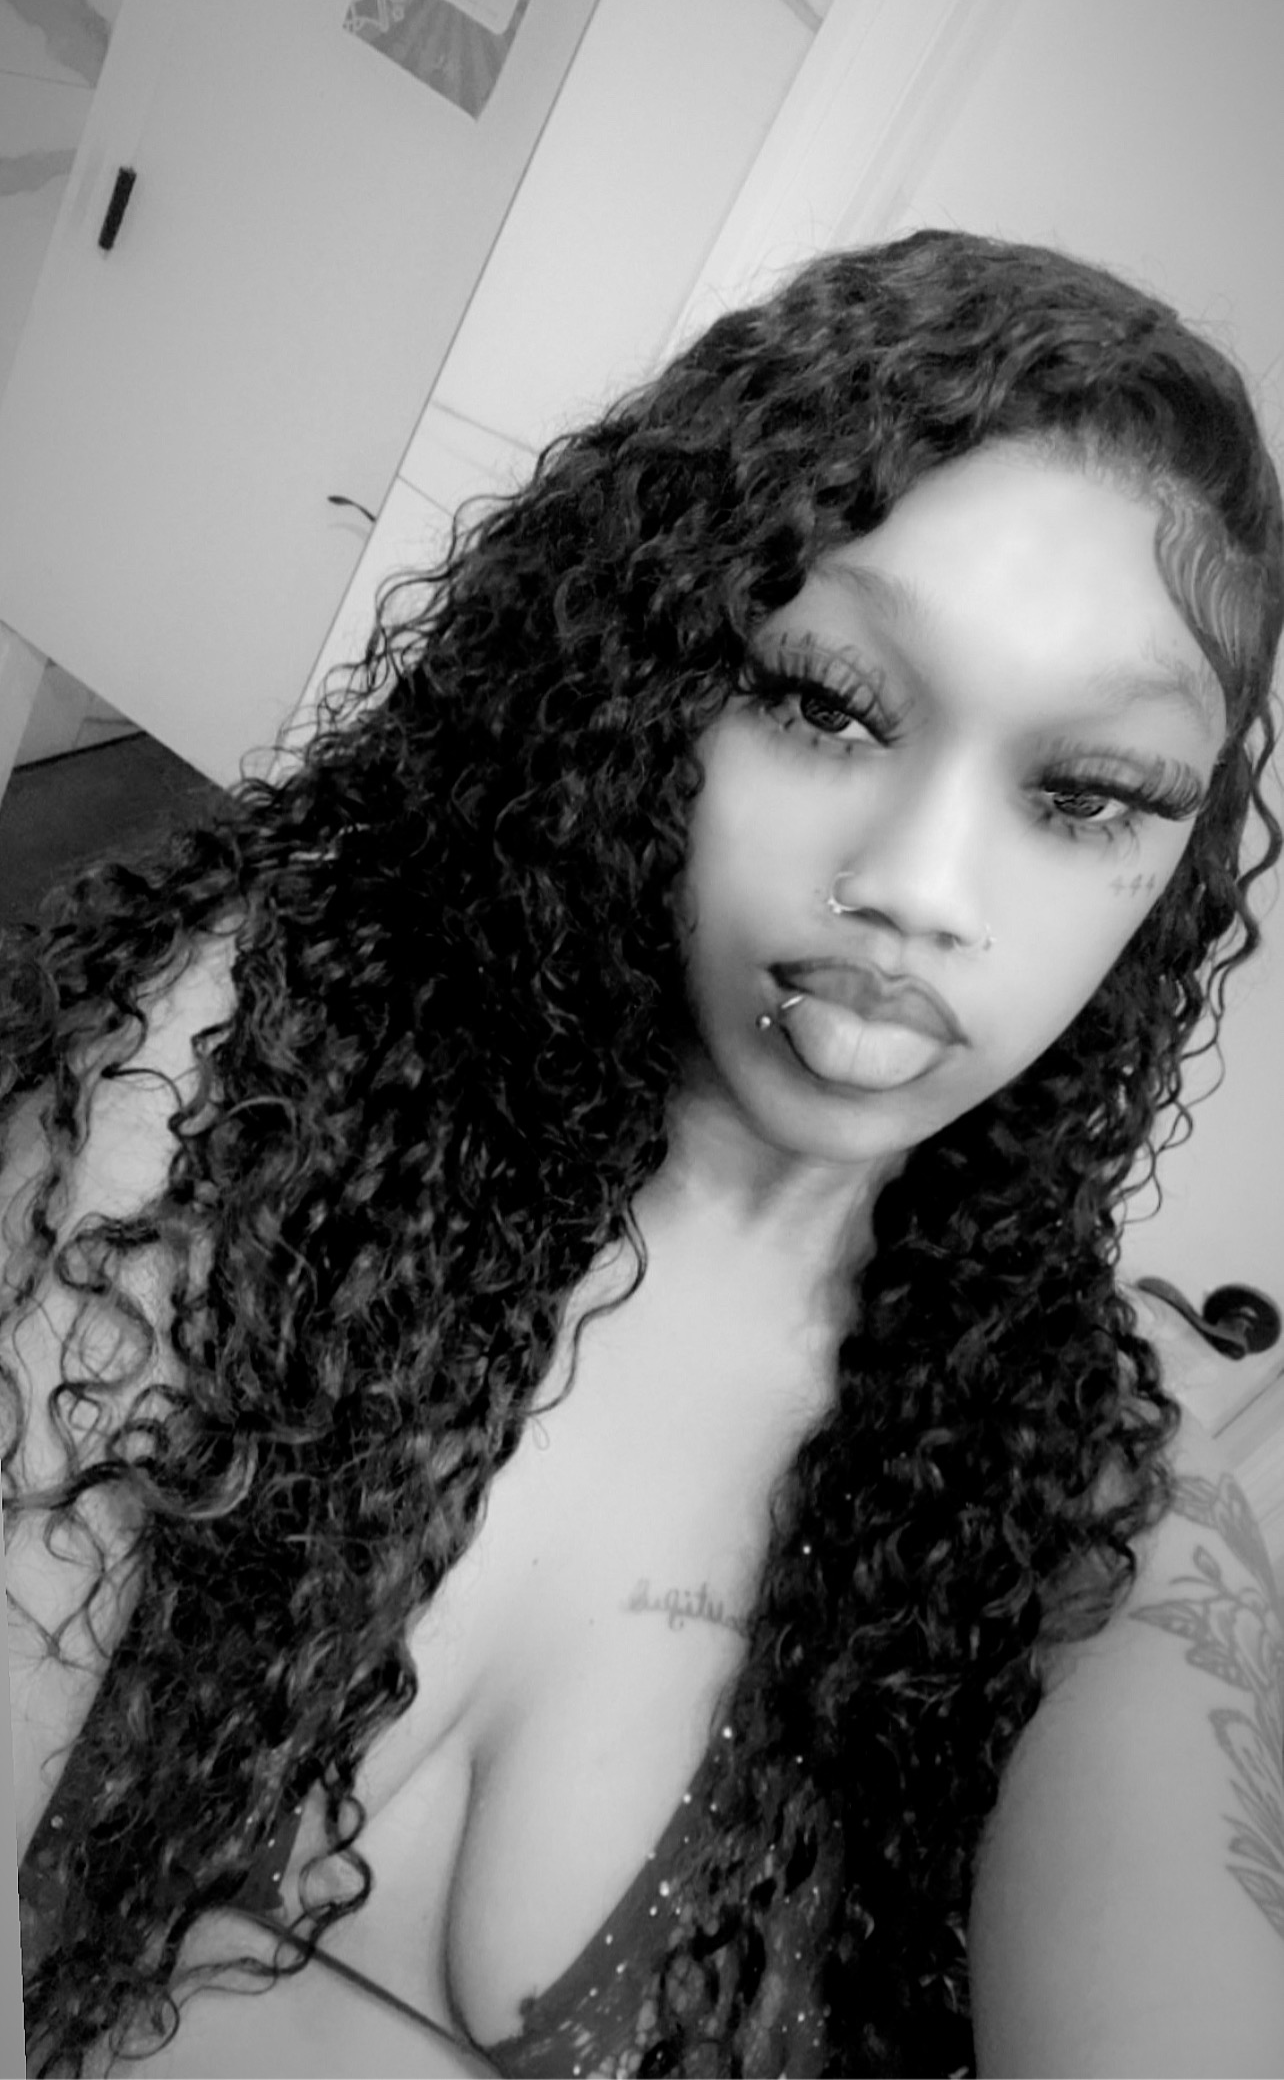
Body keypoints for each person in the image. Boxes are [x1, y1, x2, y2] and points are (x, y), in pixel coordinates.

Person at [4, 228, 1284, 2080]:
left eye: (1085, 796)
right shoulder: (243, 1072)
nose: (921, 888)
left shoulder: (1062, 1494)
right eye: (824, 702)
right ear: (648, 673)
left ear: (1174, 867)